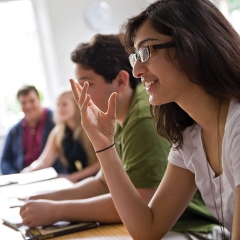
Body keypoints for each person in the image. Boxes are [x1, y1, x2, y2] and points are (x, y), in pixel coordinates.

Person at [69, 0, 240, 239]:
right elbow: (146, 229)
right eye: (134, 57)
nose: (137, 70)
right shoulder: (191, 137)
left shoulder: (237, 125)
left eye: (146, 51)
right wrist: (103, 144)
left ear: (191, 46)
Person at [20, 34, 219, 239]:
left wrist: (56, 210)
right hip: (157, 226)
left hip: (189, 226)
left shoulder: (143, 117)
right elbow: (102, 183)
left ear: (121, 81)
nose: (79, 97)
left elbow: (140, 204)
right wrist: (38, 200)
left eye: (87, 85)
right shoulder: (120, 115)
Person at [21, 88, 99, 183]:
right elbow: (44, 161)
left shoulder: (91, 127)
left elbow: (100, 164)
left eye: (64, 104)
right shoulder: (58, 132)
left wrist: (72, 177)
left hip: (96, 180)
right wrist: (27, 171)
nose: (60, 109)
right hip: (75, 182)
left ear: (76, 105)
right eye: (58, 105)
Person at [1, 85, 65, 174]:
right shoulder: (14, 131)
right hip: (23, 176)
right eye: (23, 103)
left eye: (32, 101)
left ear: (39, 99)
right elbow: (4, 161)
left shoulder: (57, 121)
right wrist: (16, 177)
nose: (28, 106)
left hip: (54, 174)